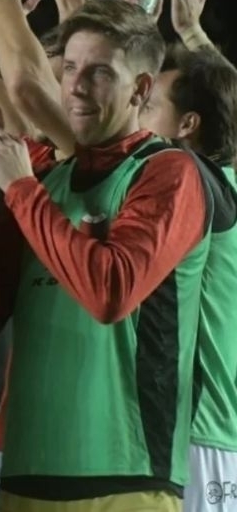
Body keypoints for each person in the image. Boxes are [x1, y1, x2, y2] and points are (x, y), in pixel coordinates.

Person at [0, 0, 214, 512]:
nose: (75, 86)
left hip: (125, 478)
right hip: (24, 473)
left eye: (100, 73)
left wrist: (20, 190)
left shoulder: (169, 172)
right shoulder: (45, 172)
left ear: (141, 90)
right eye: (71, 68)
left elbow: (109, 293)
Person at [139, 43, 237, 512]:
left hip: (198, 439)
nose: (137, 114)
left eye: (149, 105)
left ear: (188, 125)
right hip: (218, 440)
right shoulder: (226, 187)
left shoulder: (194, 185)